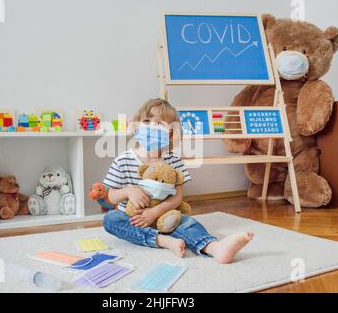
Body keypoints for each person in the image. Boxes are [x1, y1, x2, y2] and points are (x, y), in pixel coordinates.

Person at [102, 99, 253, 263]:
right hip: (133, 220)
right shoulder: (123, 160)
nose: (151, 126)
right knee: (111, 219)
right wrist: (128, 191)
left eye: (159, 123)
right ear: (137, 126)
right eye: (146, 121)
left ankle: (214, 247)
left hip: (165, 217)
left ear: (171, 133)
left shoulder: (173, 161)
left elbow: (177, 197)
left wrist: (154, 212)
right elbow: (110, 197)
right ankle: (163, 241)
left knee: (187, 222)